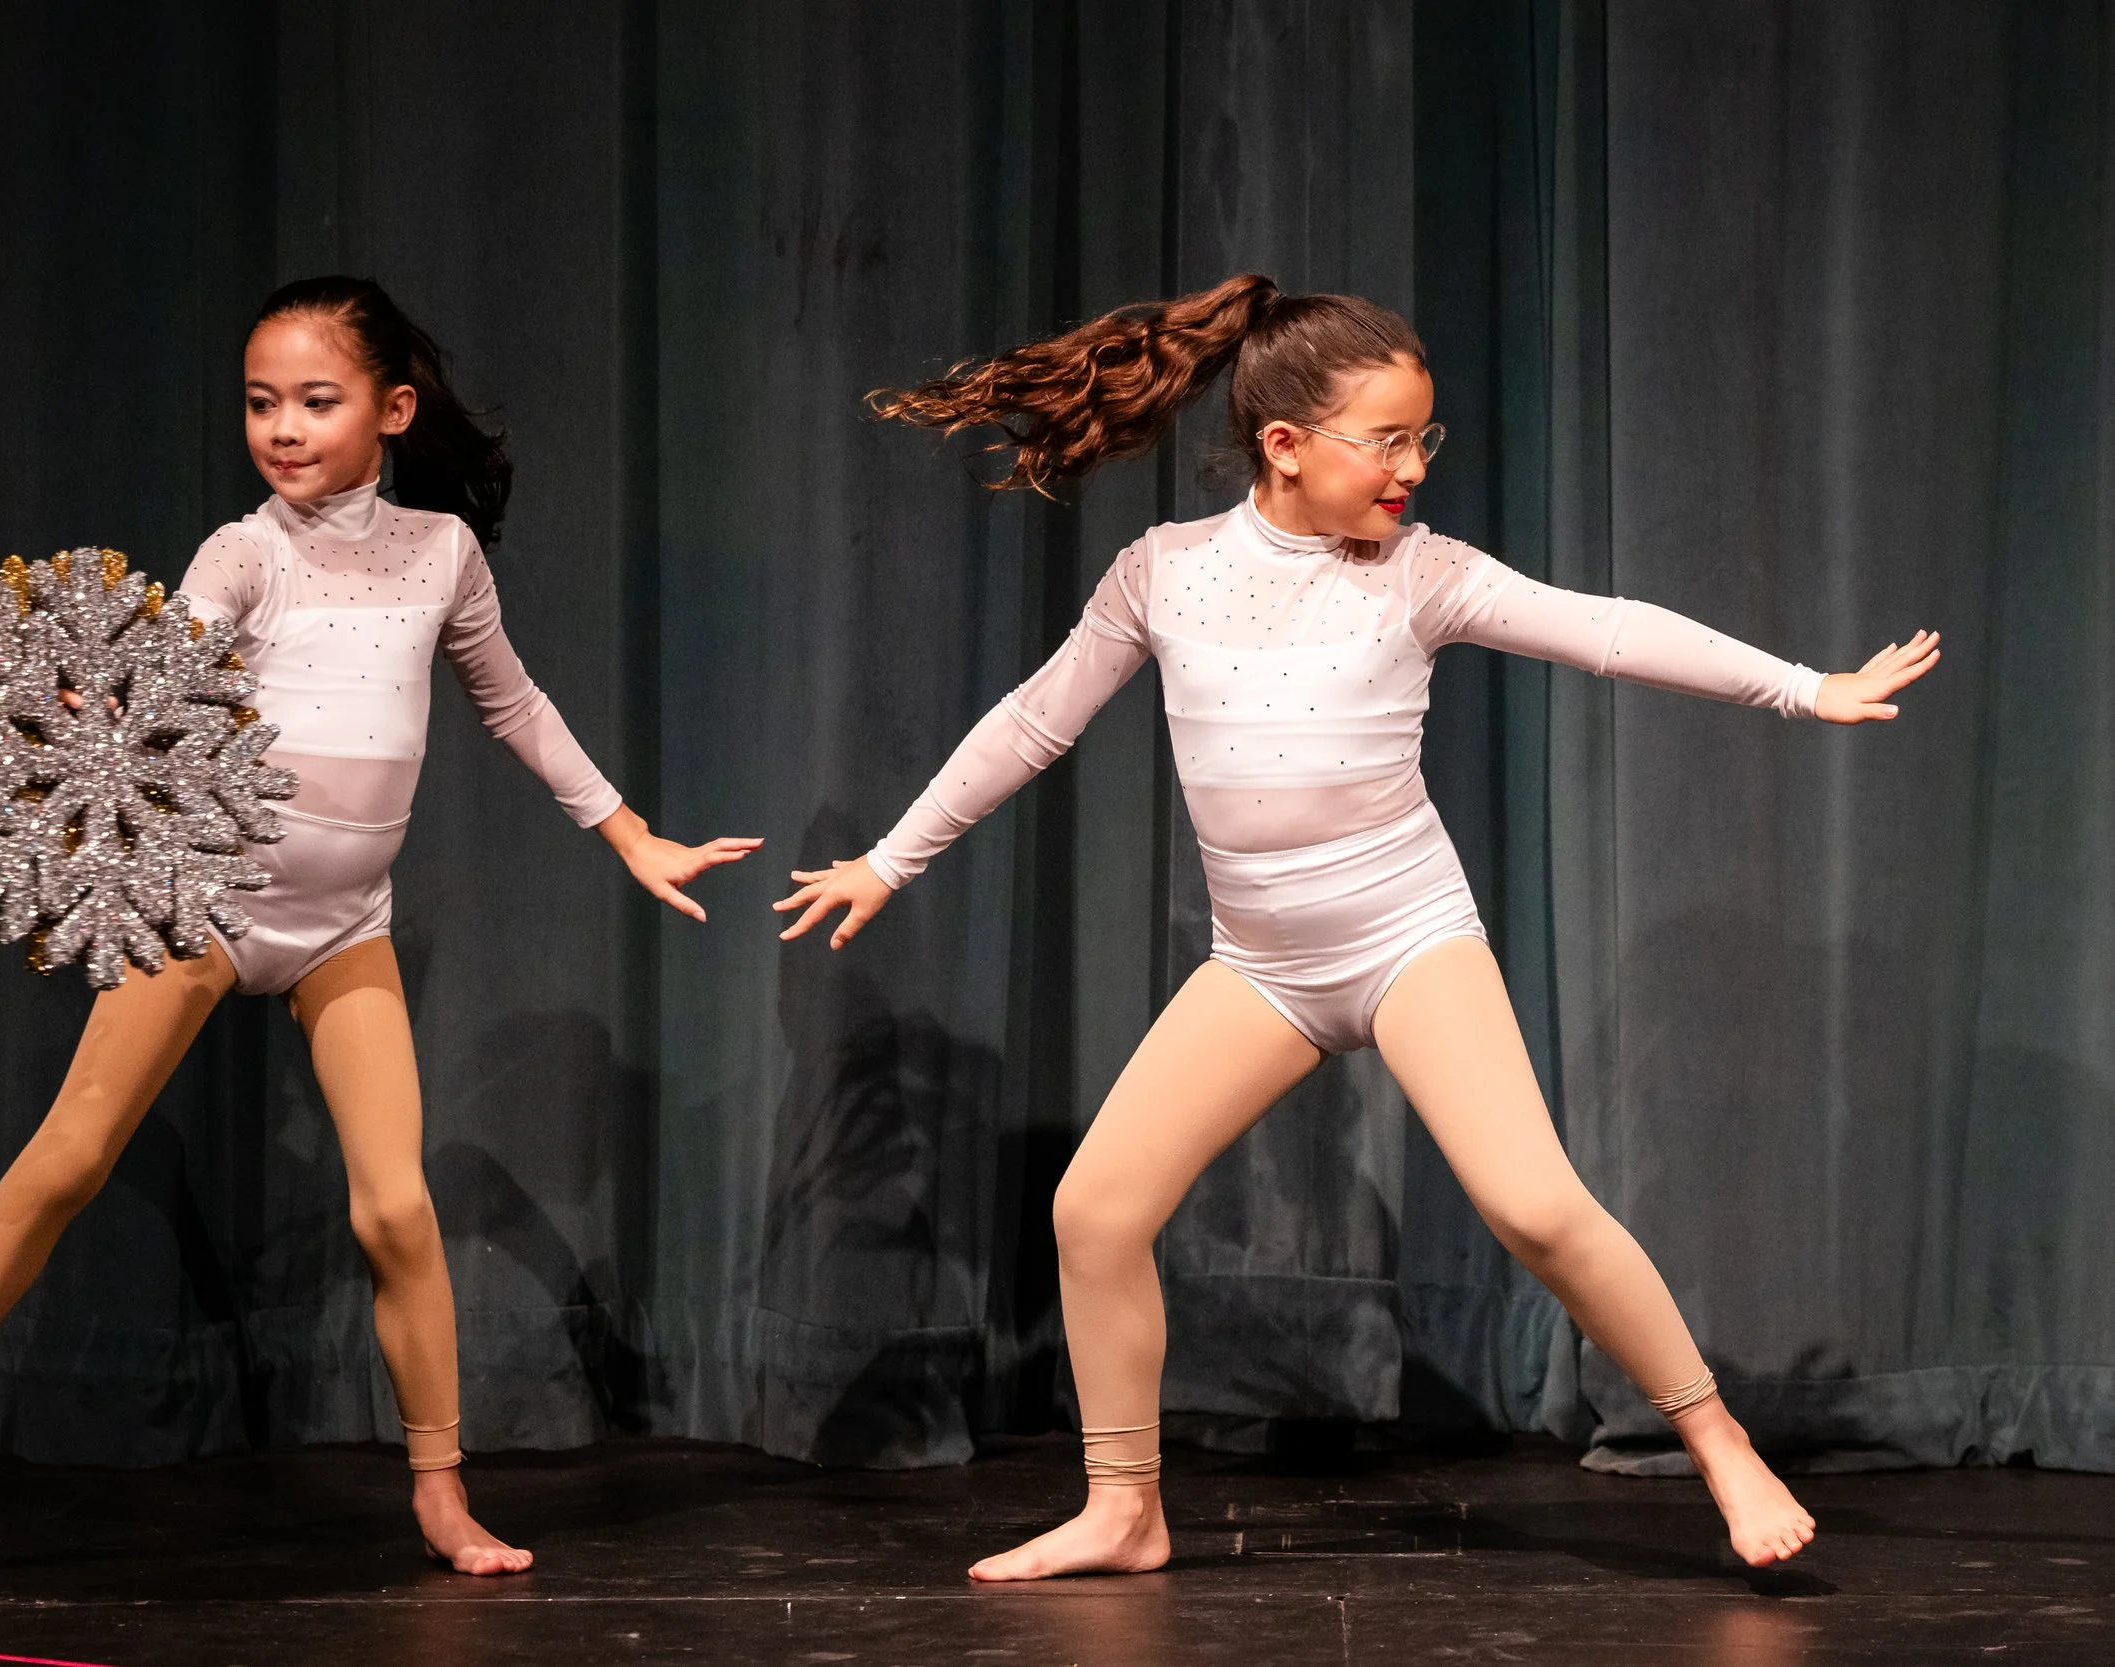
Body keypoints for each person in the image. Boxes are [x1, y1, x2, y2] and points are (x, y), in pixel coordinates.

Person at [773, 274, 1938, 1578]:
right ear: (1284, 444)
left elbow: (1606, 632)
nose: (1413, 468)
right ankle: (1125, 1508)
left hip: (1406, 939)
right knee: (1094, 1212)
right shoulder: (1163, 573)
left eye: (1422, 437)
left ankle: (1718, 1441)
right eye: (1385, 441)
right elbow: (1033, 723)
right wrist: (889, 860)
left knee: (1534, 1206)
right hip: (1261, 966)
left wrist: (1804, 688)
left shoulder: (1422, 575)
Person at [0, 276, 758, 1573]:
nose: (282, 426)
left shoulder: (442, 554)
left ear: (393, 410)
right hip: (207, 900)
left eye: (315, 401)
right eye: (261, 402)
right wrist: (91, 716)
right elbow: (161, 691)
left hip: (343, 925)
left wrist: (629, 831)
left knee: (395, 1210)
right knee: (73, 1154)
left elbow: (516, 705)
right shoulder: (245, 554)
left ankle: (440, 1489)